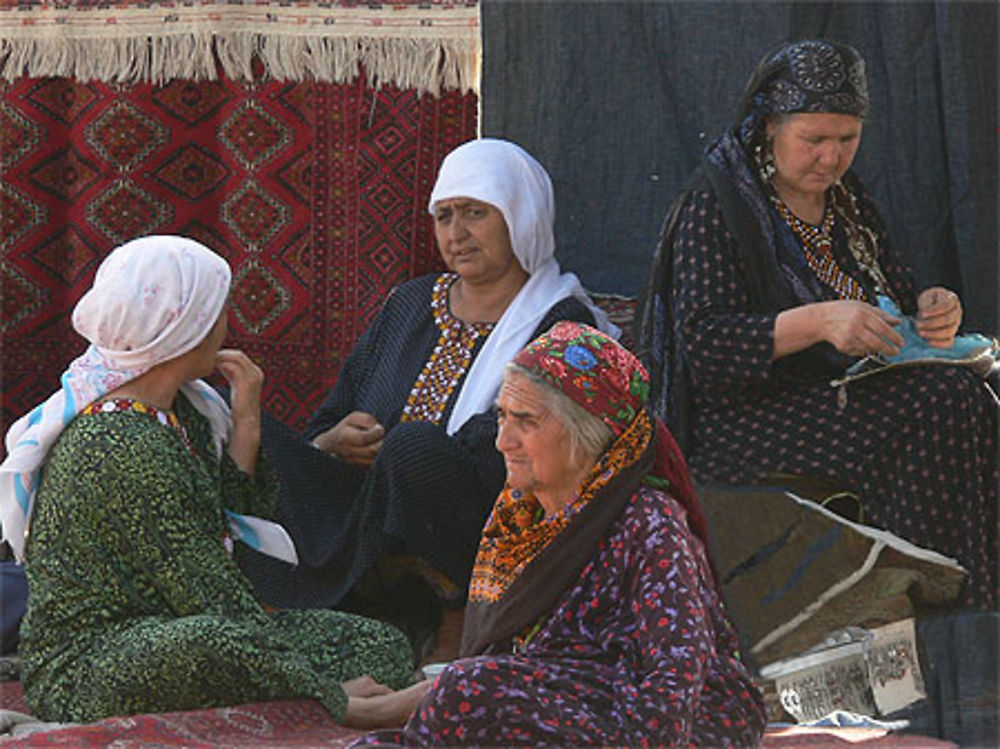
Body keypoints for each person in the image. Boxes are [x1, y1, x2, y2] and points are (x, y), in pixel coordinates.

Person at [0, 236, 428, 725]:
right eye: (218, 312)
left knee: (381, 645)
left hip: (186, 623)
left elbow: (233, 518)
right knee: (217, 640)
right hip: (94, 662)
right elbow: (216, 602)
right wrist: (322, 682)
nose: (227, 326)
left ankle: (294, 685)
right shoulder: (118, 443)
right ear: (187, 327)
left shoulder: (183, 411)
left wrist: (245, 421)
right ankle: (342, 704)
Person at [636, 39, 998, 610]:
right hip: (745, 418)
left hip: (842, 396)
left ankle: (975, 607)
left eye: (846, 139)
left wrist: (933, 306)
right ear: (770, 127)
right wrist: (820, 321)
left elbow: (897, 296)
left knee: (979, 390)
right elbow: (705, 345)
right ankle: (936, 610)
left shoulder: (846, 200)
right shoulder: (718, 204)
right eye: (814, 140)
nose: (831, 158)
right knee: (942, 403)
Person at [238, 139, 617, 647]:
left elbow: (506, 456)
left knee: (415, 450)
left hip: (476, 530)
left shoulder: (559, 324)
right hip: (363, 513)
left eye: (475, 214)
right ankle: (318, 597)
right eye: (444, 217)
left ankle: (447, 613)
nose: (456, 234)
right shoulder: (411, 303)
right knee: (253, 433)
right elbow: (332, 412)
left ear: (520, 217)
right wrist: (333, 442)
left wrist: (400, 455)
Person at [351, 321, 766, 747]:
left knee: (470, 692)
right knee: (467, 693)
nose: (502, 442)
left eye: (525, 422)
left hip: (670, 722)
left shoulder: (650, 522)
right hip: (573, 701)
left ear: (585, 432)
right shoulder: (520, 514)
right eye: (502, 417)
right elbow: (509, 664)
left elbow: (676, 668)